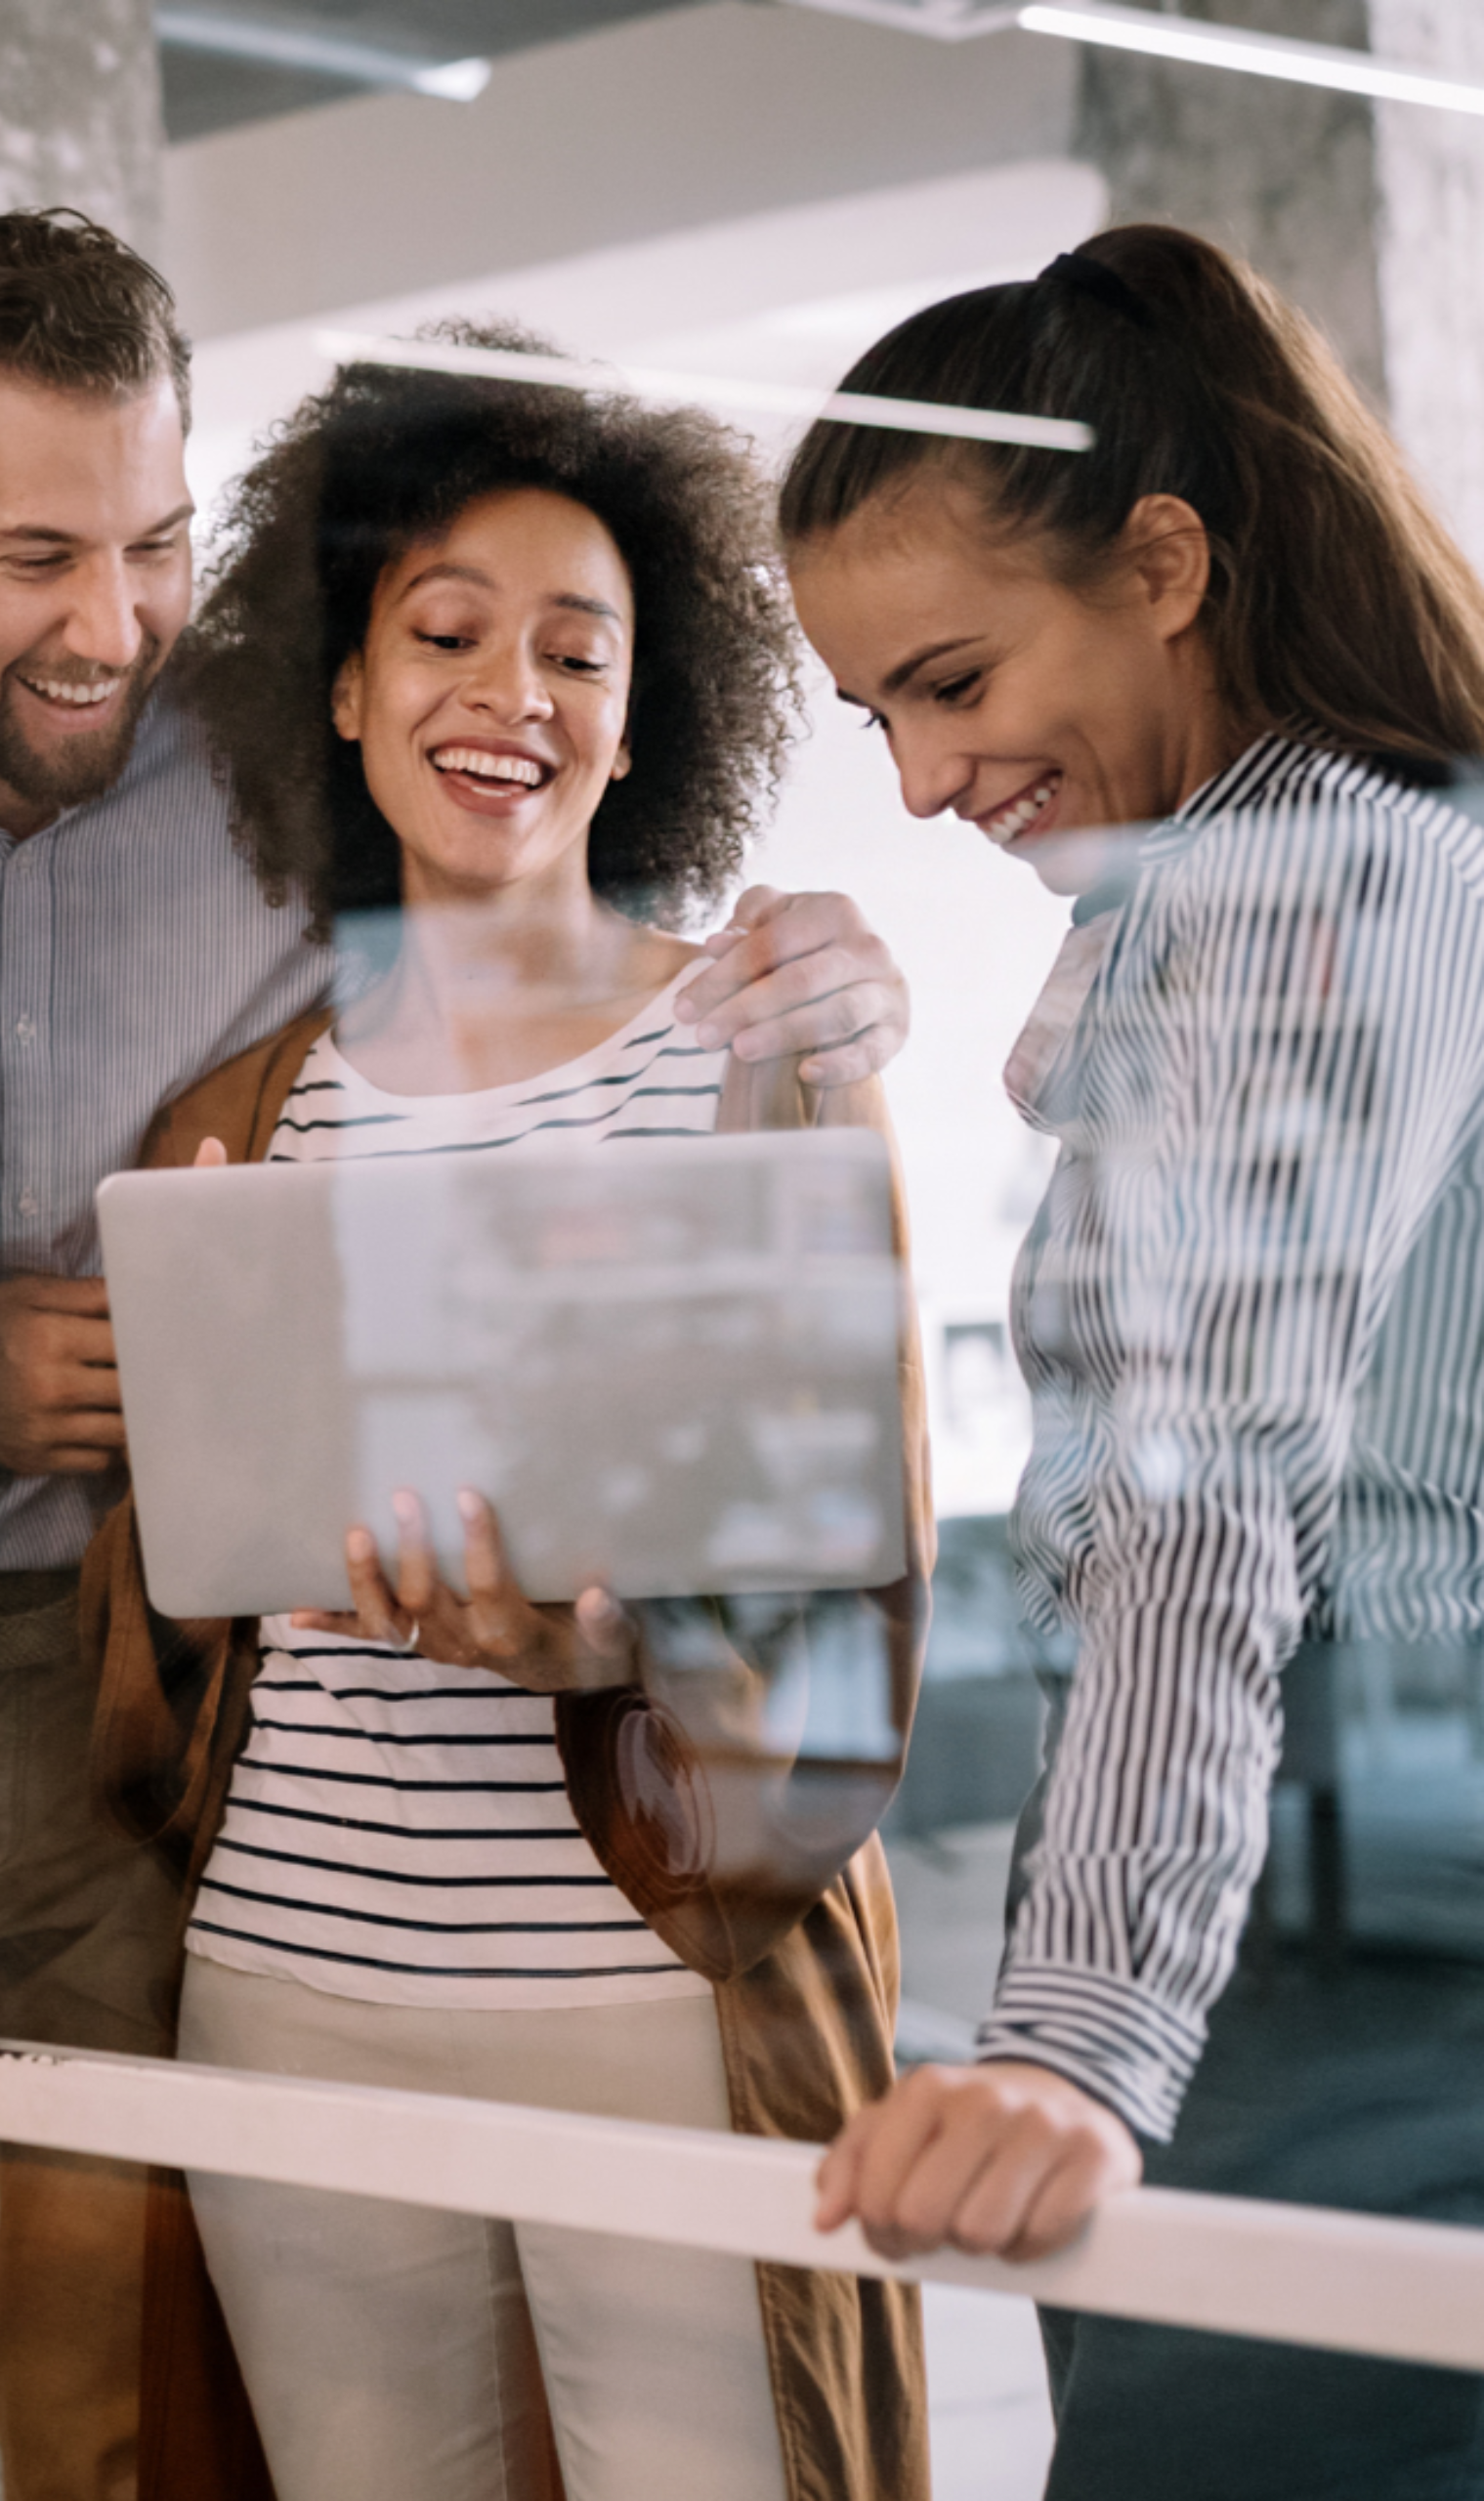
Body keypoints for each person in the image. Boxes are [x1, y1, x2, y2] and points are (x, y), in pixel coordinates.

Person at [0, 207, 926, 2501]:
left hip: (277, 1781)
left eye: (151, 541)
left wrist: (838, 987)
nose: (109, 621)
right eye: (36, 551)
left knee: (126, 2401)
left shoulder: (318, 845)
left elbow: (830, 1541)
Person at [85, 336, 933, 2501]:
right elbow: (184, 1617)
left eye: (579, 648)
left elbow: (841, 1562)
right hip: (290, 1978)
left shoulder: (748, 1055)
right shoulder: (234, 1122)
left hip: (645, 1989)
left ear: (640, 716)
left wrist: (619, 1641)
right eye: (443, 633)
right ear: (344, 689)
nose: (513, 693)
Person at [781, 225, 1484, 2497]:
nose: (912, 779)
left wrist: (1072, 2041)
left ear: (1162, 562)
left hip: (1354, 1964)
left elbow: (1202, 1496)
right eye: (870, 707)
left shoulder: (1297, 899)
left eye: (950, 676)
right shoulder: (1375, 859)